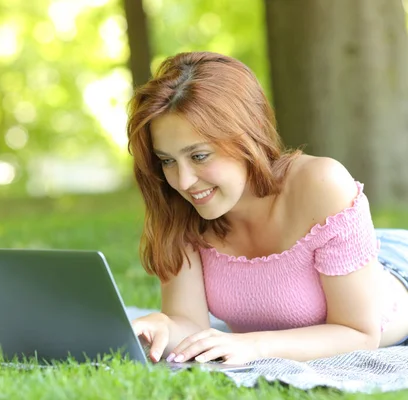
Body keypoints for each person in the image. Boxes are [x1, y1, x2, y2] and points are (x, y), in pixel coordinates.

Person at [127, 51, 408, 365]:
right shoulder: (178, 207)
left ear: (247, 136)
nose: (183, 180)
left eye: (199, 156)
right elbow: (189, 326)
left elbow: (359, 333)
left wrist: (253, 346)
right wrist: (163, 326)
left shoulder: (321, 184)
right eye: (167, 160)